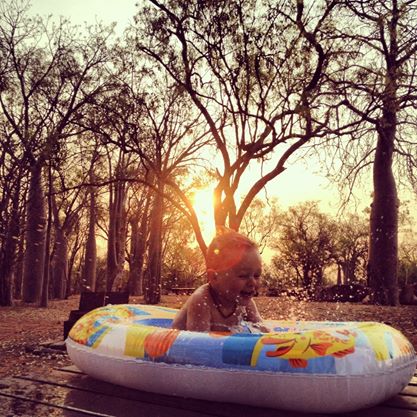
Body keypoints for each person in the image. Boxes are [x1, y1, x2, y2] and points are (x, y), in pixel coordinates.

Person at [172, 228, 270, 333]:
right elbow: (198, 343)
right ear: (214, 277)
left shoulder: (246, 303)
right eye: (243, 275)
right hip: (175, 344)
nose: (253, 283)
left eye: (257, 275)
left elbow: (264, 332)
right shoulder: (202, 301)